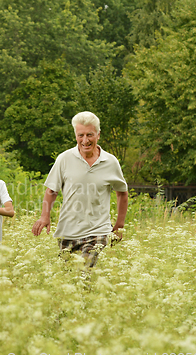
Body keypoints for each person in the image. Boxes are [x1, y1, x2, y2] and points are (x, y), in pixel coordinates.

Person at [32, 111, 128, 267]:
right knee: (69, 280)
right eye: (80, 135)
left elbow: (122, 194)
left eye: (89, 135)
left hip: (98, 231)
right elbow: (51, 191)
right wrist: (45, 216)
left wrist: (119, 225)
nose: (85, 140)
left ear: (98, 135)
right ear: (75, 135)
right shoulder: (64, 159)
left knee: (86, 271)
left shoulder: (110, 162)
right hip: (67, 231)